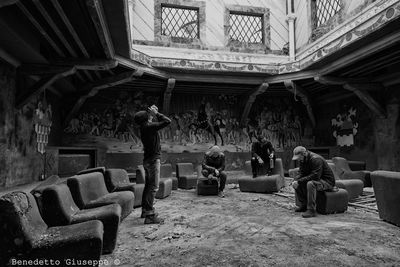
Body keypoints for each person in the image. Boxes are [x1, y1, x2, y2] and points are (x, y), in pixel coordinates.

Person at [134, 105, 171, 224]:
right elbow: (167, 121)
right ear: (147, 119)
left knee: (148, 186)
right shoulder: (149, 127)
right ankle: (150, 216)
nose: (150, 116)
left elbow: (153, 122)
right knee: (153, 187)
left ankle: (145, 211)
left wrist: (152, 115)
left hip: (148, 160)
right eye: (148, 115)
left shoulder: (145, 127)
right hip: (153, 161)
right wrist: (156, 113)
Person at [291, 146, 336, 218]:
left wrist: (299, 181)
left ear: (304, 154)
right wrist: (295, 180)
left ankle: (311, 210)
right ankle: (304, 205)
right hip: (317, 180)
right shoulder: (303, 160)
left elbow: (315, 176)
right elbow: (301, 172)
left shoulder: (316, 159)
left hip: (326, 181)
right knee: (297, 183)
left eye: (299, 157)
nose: (298, 160)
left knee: (311, 184)